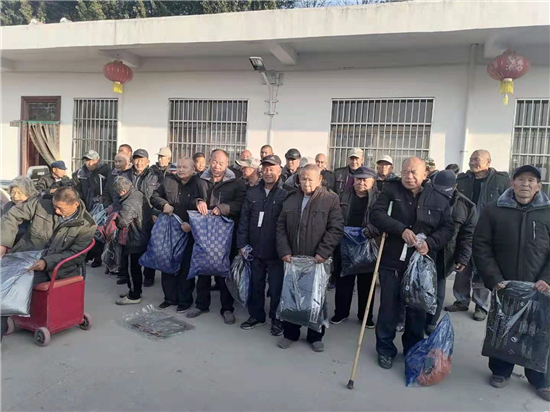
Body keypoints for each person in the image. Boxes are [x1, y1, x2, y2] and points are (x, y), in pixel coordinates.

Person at [473, 165, 550, 402]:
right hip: (504, 284)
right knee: (502, 328)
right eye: (521, 179)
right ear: (512, 183)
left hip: (540, 287)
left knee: (540, 333)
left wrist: (547, 278)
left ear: (538, 186)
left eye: (531, 180)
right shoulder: (493, 209)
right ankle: (500, 370)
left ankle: (541, 378)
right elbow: (481, 244)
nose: (525, 184)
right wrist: (494, 278)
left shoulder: (548, 211)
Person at [370, 157, 454, 369]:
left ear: (425, 174)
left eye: (414, 172)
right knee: (389, 307)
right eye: (405, 172)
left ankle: (413, 349)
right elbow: (376, 215)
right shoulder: (390, 190)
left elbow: (448, 228)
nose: (409, 176)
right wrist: (400, 229)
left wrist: (430, 243)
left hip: (420, 263)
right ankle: (385, 349)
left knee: (417, 310)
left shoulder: (437, 197)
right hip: (392, 259)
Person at [0, 186, 97, 339]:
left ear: (75, 204)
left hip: (55, 268)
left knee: (9, 284)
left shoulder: (87, 225)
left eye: (60, 208)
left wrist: (46, 262)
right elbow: (12, 215)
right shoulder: (42, 203)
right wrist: (3, 243)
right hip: (26, 256)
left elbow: (75, 255)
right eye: (54, 206)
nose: (56, 211)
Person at [276, 164, 344, 352]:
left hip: (317, 260)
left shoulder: (330, 199)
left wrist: (323, 252)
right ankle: (290, 333)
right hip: (293, 258)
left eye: (310, 179)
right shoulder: (290, 198)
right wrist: (284, 250)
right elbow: (280, 226)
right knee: (292, 297)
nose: (306, 183)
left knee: (316, 299)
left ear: (319, 179)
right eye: (303, 178)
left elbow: (336, 228)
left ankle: (315, 335)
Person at [446, 149, 510, 321]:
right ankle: (461, 300)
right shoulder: (462, 180)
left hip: (487, 232)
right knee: (462, 266)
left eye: (477, 159)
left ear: (488, 162)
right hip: (465, 231)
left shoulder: (501, 181)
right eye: (471, 159)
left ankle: (481, 305)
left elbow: (508, 205)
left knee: (483, 268)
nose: (473, 162)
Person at [187, 149, 247, 324]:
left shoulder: (236, 182)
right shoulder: (200, 179)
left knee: (224, 271)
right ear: (209, 161)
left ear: (227, 164)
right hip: (204, 231)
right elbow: (190, 198)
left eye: (221, 163)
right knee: (203, 268)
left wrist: (224, 208)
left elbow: (241, 204)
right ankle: (201, 304)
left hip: (225, 234)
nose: (216, 166)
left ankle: (227, 308)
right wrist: (198, 202)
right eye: (214, 162)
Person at [237, 155, 288, 335]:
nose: (268, 172)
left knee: (276, 288)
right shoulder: (253, 193)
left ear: (279, 170)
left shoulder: (286, 193)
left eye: (272, 169)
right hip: (254, 249)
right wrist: (242, 244)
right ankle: (256, 316)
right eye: (265, 169)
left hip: (276, 252)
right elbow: (244, 220)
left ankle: (277, 319)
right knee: (255, 285)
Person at [425, 170, 477, 334]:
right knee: (417, 289)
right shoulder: (424, 197)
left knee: (439, 292)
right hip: (424, 250)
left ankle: (431, 322)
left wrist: (463, 258)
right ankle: (410, 320)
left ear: (455, 186)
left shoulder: (466, 206)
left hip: (446, 255)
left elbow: (467, 236)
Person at [151, 158, 206, 313]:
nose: (181, 170)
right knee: (167, 263)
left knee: (185, 267)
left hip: (188, 231)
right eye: (179, 166)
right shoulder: (168, 181)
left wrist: (192, 225)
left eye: (185, 167)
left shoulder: (199, 184)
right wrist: (163, 204)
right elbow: (154, 197)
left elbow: (204, 208)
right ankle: (169, 298)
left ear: (193, 169)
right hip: (169, 230)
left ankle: (184, 299)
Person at [331, 166, 379, 329]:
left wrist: (374, 229)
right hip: (345, 242)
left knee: (366, 282)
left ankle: (365, 315)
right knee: (344, 280)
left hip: (367, 243)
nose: (361, 183)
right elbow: (335, 216)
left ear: (372, 181)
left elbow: (383, 219)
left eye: (365, 180)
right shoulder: (343, 195)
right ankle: (341, 312)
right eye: (358, 179)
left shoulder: (378, 198)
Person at [113, 177, 153, 305]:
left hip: (134, 238)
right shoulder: (138, 194)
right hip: (143, 235)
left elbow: (123, 222)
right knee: (135, 268)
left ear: (123, 191)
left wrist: (115, 218)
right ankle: (134, 290)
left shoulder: (129, 203)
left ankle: (134, 295)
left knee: (132, 269)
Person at [130, 149, 161, 287]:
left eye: (142, 160)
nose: (139, 163)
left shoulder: (155, 176)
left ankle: (149, 275)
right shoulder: (126, 175)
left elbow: (159, 195)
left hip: (149, 216)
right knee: (133, 247)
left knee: (150, 246)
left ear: (147, 161)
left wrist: (156, 212)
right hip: (131, 216)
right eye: (136, 159)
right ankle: (131, 276)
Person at [2, 176, 38, 245]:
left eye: (19, 193)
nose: (15, 196)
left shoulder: (35, 206)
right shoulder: (9, 205)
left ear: (29, 193)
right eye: (13, 192)